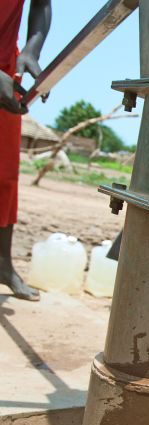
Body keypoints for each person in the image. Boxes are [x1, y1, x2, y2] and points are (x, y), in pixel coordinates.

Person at [0, 0, 51, 301]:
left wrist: (32, 49)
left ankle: (3, 265)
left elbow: (42, 4)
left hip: (6, 68)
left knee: (5, 173)